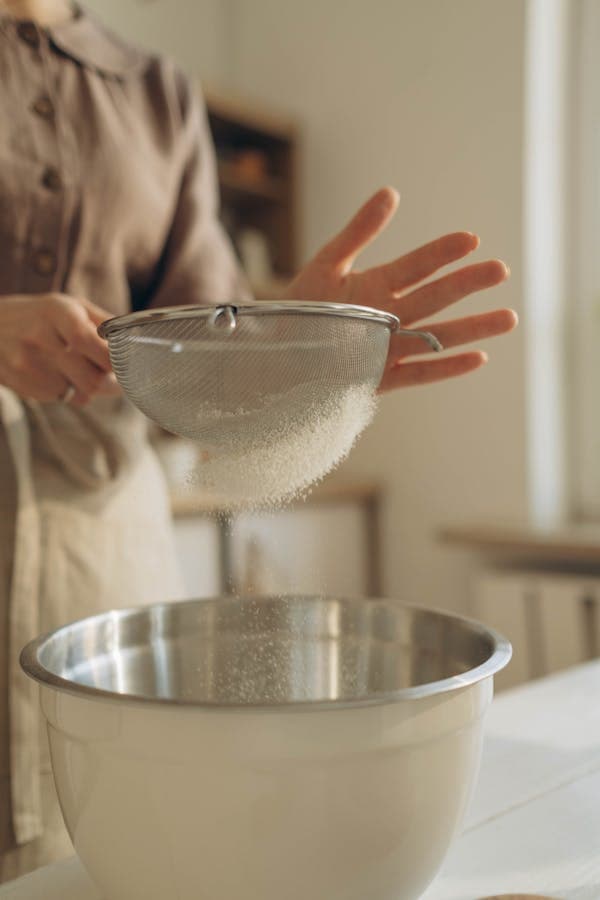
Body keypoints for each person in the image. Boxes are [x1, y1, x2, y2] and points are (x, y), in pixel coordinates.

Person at [0, 0, 517, 882]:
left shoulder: (155, 91)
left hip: (100, 560)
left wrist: (290, 344)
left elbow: (197, 352)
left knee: (104, 854)